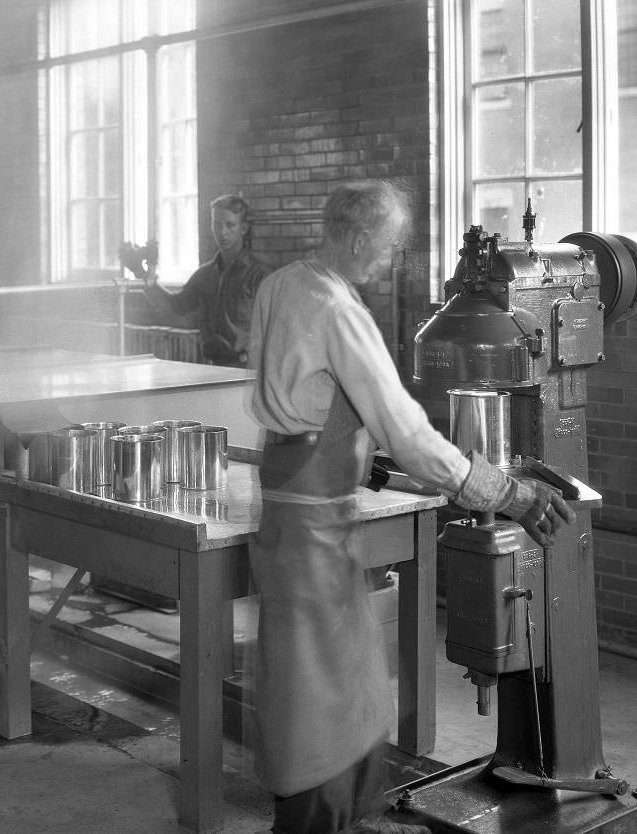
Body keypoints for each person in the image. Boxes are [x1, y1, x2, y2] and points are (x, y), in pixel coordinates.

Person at [246, 180, 575, 834]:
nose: (393, 260)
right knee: (324, 702)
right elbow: (408, 431)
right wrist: (506, 491)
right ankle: (320, 818)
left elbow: (298, 405)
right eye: (391, 245)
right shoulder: (341, 312)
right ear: (359, 236)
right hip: (315, 530)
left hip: (286, 511)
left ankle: (333, 811)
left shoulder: (281, 284)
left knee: (321, 686)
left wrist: (357, 450)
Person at [119, 193, 271, 367]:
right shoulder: (205, 275)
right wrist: (142, 274)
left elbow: (277, 330)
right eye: (217, 224)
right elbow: (175, 312)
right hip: (214, 369)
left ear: (243, 228)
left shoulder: (260, 276)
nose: (222, 232)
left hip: (249, 373)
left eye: (230, 225)